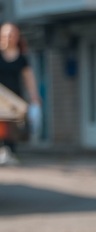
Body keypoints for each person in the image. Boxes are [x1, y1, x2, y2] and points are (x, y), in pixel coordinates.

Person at [0, 22, 41, 163]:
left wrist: (34, 97)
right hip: (0, 98)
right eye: (6, 35)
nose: (9, 38)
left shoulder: (22, 58)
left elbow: (29, 79)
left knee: (12, 127)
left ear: (17, 37)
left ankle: (10, 152)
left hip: (14, 99)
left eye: (12, 35)